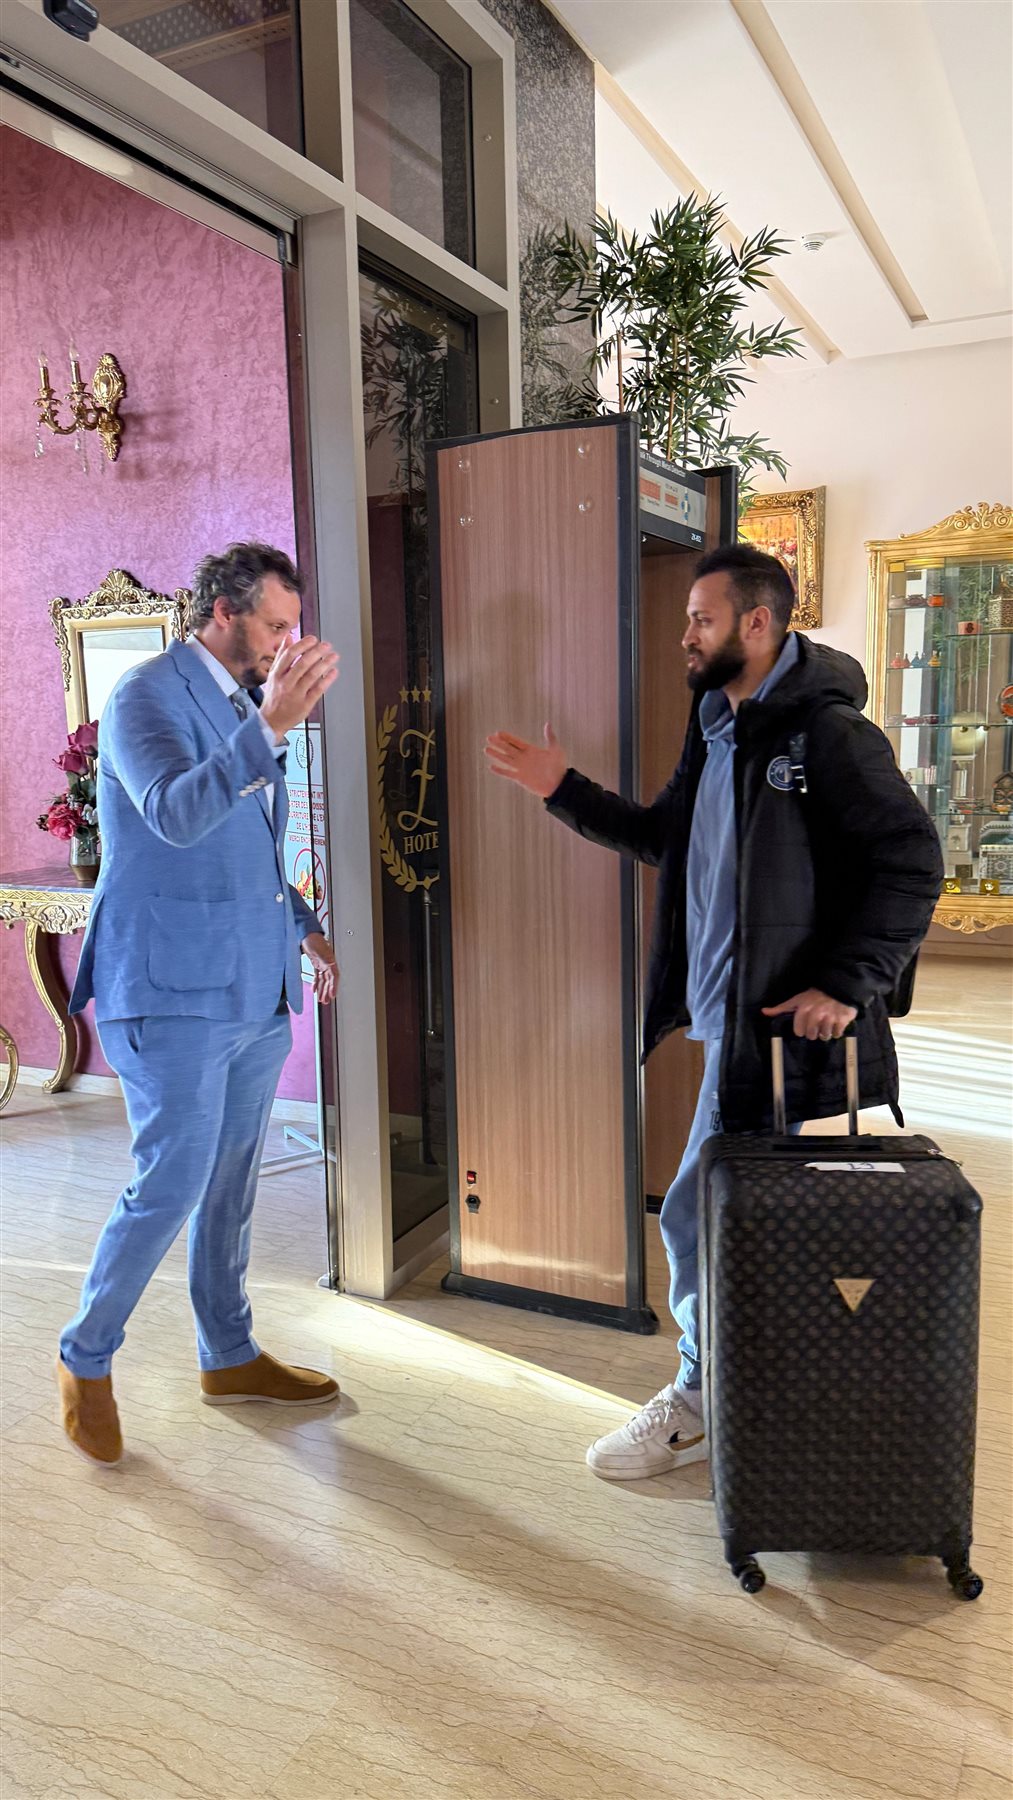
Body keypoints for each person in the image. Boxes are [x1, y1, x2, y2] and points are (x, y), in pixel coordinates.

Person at [485, 543, 943, 1482]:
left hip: (775, 1032)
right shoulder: (717, 725)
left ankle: (700, 1402)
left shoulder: (827, 736)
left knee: (697, 1211)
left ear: (757, 623)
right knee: (733, 1212)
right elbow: (667, 836)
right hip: (724, 1015)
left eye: (700, 619)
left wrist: (846, 982)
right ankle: (750, 1381)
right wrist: (560, 789)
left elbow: (911, 861)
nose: (684, 636)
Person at [58, 542, 341, 1465]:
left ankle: (228, 1354)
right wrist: (273, 721)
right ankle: (85, 1357)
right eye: (274, 625)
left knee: (229, 1183)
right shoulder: (145, 695)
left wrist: (303, 925)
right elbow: (176, 815)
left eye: (291, 627)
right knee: (171, 1182)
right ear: (223, 611)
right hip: (168, 986)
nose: (284, 643)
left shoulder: (237, 706)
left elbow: (244, 847)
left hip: (252, 985)